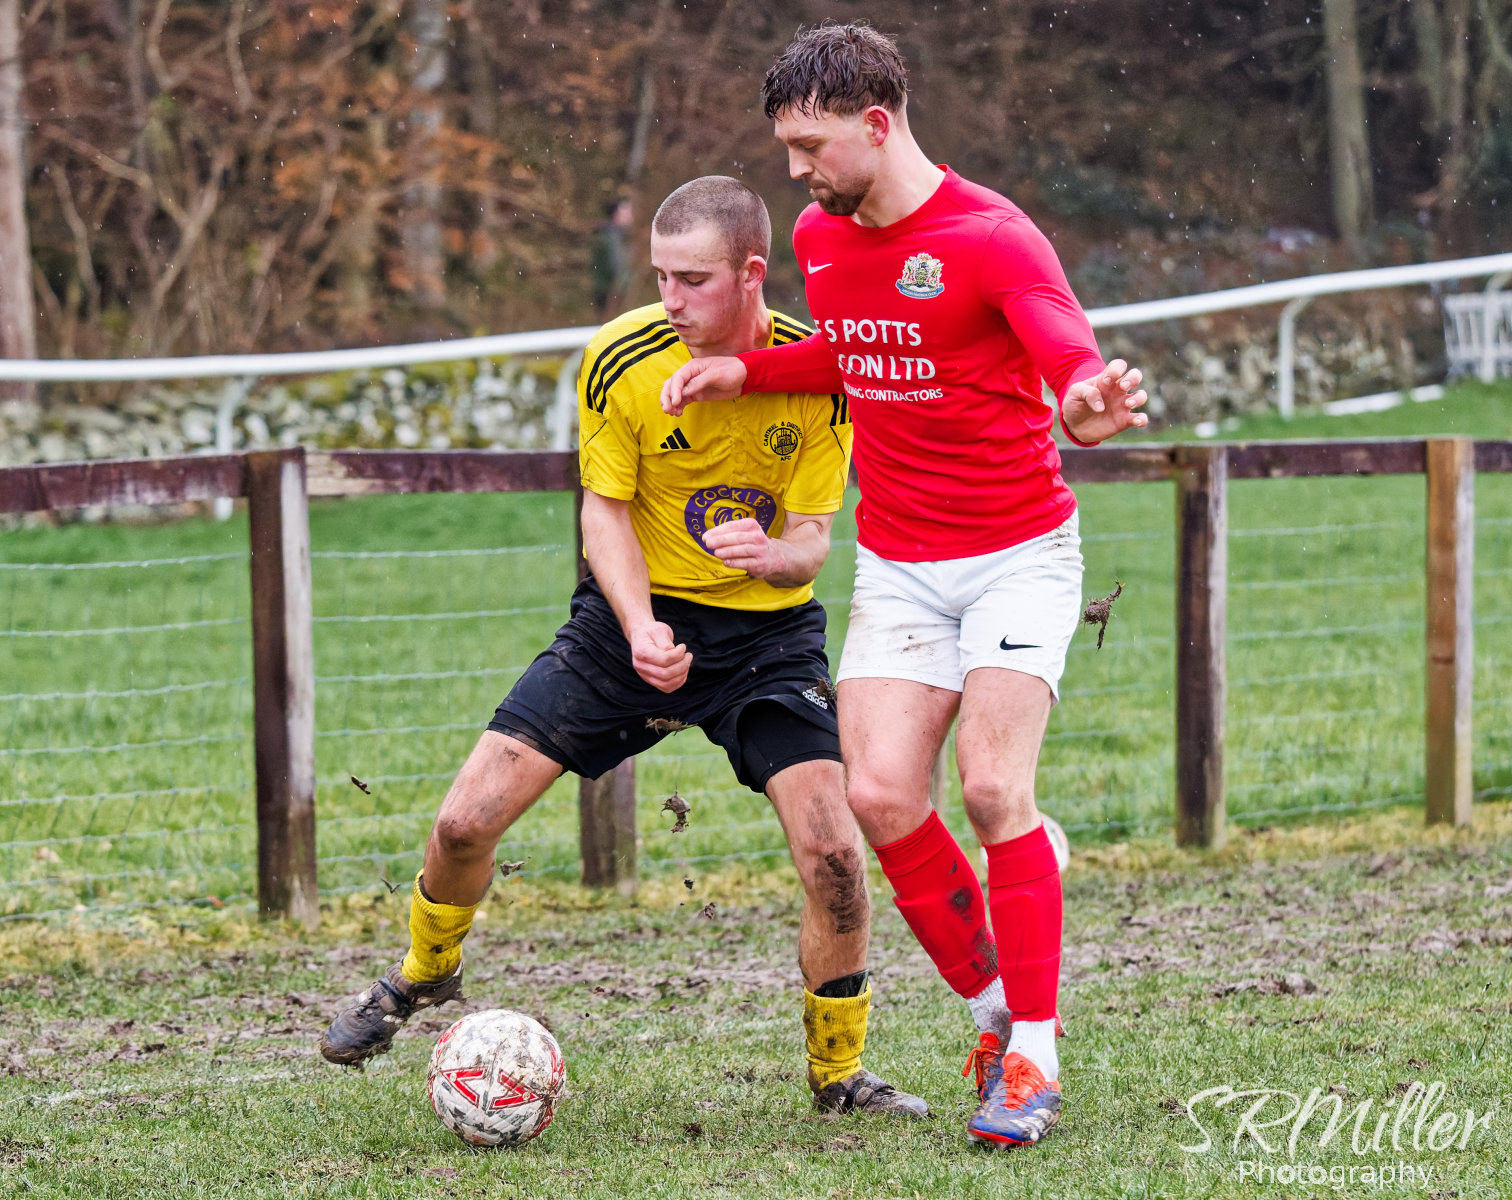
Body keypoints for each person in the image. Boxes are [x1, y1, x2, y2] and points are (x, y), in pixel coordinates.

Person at [320, 175, 927, 1119]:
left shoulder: (817, 370)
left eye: (693, 280)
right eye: (660, 277)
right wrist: (641, 625)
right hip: (625, 623)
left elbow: (814, 537)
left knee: (836, 858)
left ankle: (839, 1074)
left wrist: (775, 557)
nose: (670, 300)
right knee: (464, 823)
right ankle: (425, 971)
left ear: (752, 273)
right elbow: (603, 512)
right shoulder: (619, 357)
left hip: (767, 640)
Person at [660, 22, 1149, 1147]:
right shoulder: (821, 236)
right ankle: (997, 1009)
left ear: (876, 125)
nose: (796, 170)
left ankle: (1033, 1059)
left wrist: (1085, 400)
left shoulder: (993, 237)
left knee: (993, 792)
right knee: (880, 797)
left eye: (811, 146)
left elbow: (1066, 356)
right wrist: (746, 371)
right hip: (899, 564)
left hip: (1018, 555)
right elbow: (860, 350)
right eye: (787, 147)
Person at [590, 195, 635, 318]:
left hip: (607, 291)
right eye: (626, 211)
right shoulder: (611, 237)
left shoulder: (613, 235)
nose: (630, 215)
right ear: (616, 215)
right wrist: (623, 288)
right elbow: (616, 265)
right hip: (610, 293)